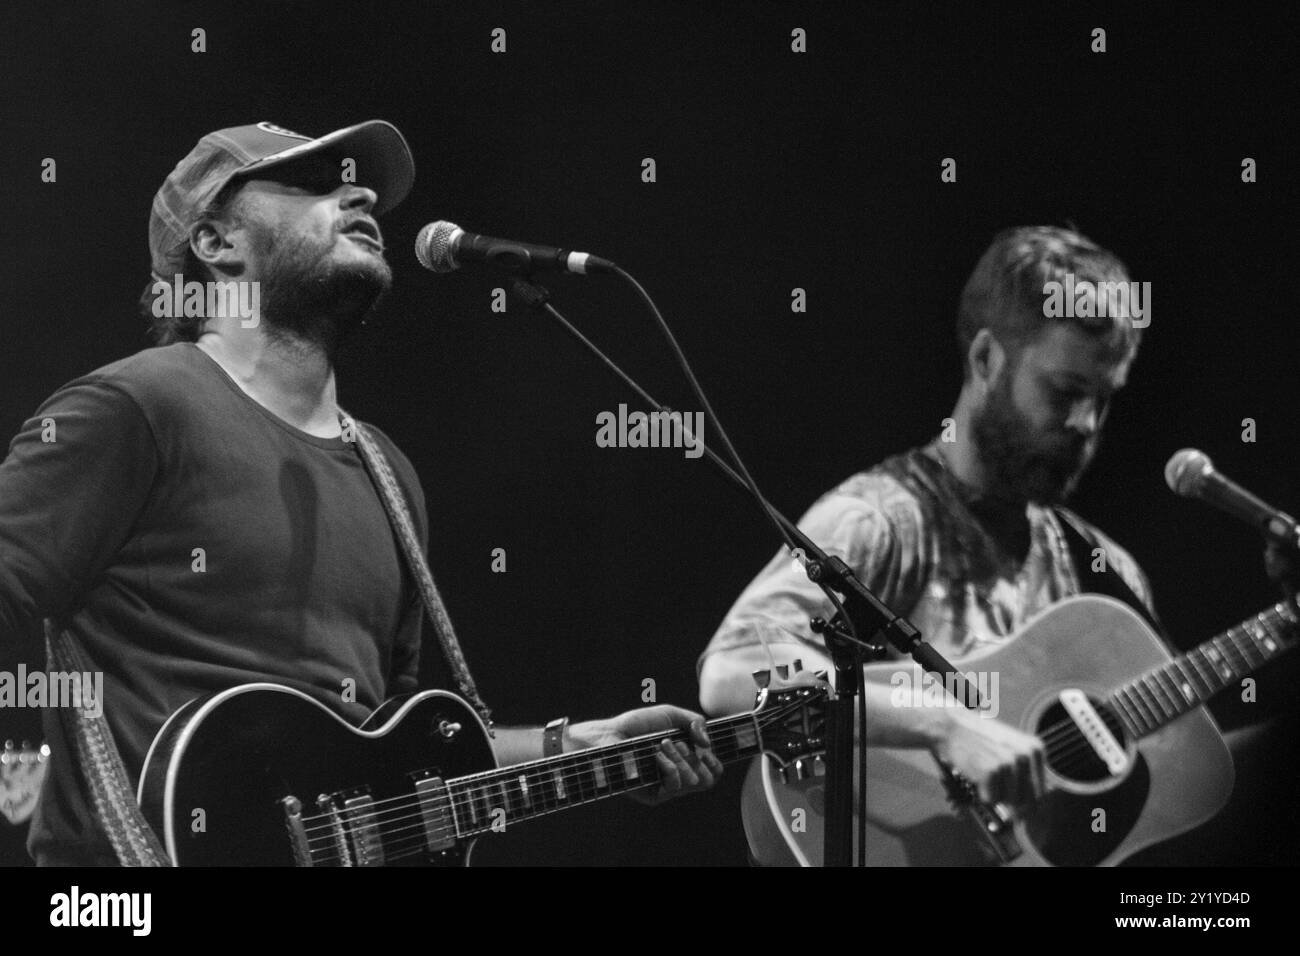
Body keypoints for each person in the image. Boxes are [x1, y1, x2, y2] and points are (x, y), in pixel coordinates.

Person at [0, 119, 720, 866]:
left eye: (359, 185)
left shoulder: (388, 472)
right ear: (215, 242)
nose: (362, 195)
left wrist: (577, 745)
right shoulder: (136, 409)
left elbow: (391, 753)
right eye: (313, 184)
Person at [699, 226, 1154, 812]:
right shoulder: (880, 520)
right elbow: (733, 672)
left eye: (1104, 399)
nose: (1086, 423)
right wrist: (944, 725)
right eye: (1066, 391)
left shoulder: (1108, 572)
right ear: (986, 359)